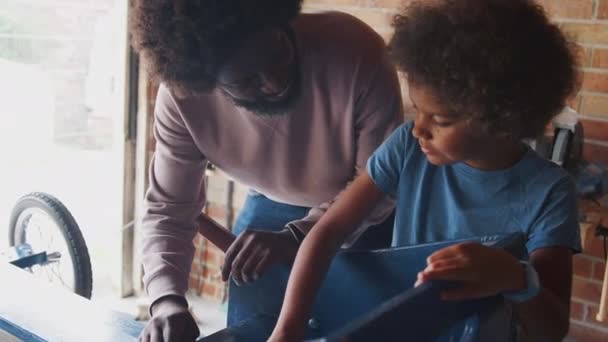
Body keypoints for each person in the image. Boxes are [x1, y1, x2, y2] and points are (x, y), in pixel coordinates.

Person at [269, 0, 581, 340]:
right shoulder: (407, 147)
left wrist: (517, 278)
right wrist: (288, 327)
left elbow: (553, 328)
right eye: (417, 110)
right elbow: (328, 232)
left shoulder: (549, 192)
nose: (419, 128)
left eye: (441, 119)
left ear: (503, 120)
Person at [129, 0, 404, 341]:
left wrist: (297, 237)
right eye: (246, 81)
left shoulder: (356, 52)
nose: (274, 83)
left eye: (277, 54)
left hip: (369, 216)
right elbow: (168, 210)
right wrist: (167, 302)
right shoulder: (183, 100)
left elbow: (381, 184)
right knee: (253, 330)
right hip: (270, 205)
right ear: (205, 82)